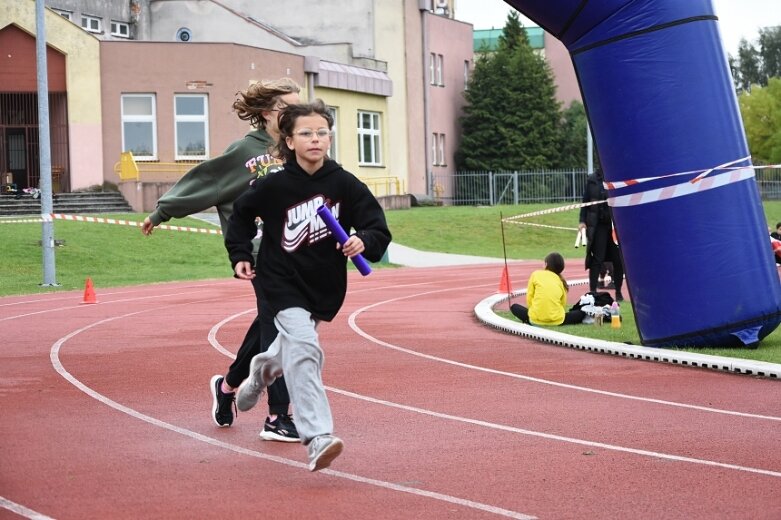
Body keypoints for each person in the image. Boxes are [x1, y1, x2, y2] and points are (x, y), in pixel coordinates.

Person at [225, 99, 391, 471]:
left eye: (322, 133)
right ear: (288, 140)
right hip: (280, 282)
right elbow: (241, 215)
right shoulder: (273, 185)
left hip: (322, 285)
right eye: (306, 133)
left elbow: (377, 227)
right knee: (306, 349)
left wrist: (363, 239)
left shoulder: (345, 183)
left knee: (289, 351)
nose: (315, 139)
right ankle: (317, 436)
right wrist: (241, 253)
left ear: (329, 139)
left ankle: (257, 375)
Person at [141, 78, 301, 442]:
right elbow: (206, 180)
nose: (295, 114)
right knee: (281, 331)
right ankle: (278, 416)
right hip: (263, 253)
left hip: (298, 254)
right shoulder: (245, 151)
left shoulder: (296, 146)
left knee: (269, 326)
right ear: (266, 113)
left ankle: (227, 386)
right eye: (287, 108)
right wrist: (162, 211)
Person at [578, 168, 625, 301]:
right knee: (597, 259)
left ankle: (618, 291)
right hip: (598, 226)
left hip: (614, 225)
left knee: (617, 259)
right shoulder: (592, 180)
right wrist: (582, 221)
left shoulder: (617, 178)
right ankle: (592, 290)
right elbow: (585, 202)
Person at [510, 252, 586, 326]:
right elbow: (563, 303)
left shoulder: (536, 274)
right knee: (580, 313)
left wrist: (534, 310)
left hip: (535, 319)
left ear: (546, 264)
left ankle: (532, 319)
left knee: (514, 307)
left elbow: (529, 297)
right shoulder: (560, 280)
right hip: (557, 320)